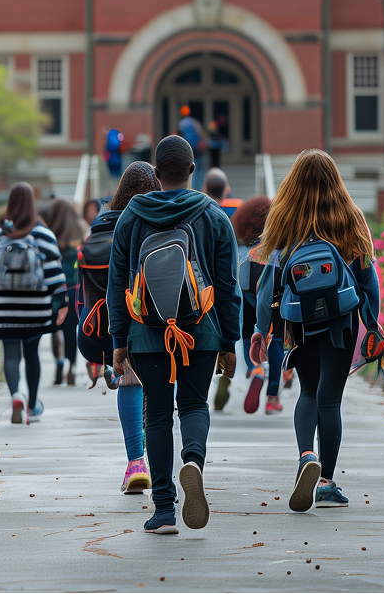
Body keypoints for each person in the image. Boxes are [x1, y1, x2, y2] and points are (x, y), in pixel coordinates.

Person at [107, 136, 239, 535]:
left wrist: (118, 341)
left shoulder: (132, 214)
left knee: (158, 416)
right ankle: (193, 461)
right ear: (192, 170)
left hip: (147, 335)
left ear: (156, 173)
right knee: (195, 406)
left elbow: (117, 282)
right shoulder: (213, 215)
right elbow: (229, 285)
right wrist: (229, 343)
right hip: (200, 332)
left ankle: (164, 510)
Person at [245, 149, 382, 512]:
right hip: (342, 319)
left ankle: (307, 455)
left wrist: (261, 327)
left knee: (307, 391)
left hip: (297, 320)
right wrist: (373, 322)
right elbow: (368, 275)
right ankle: (326, 482)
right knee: (330, 399)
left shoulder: (285, 218)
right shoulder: (350, 218)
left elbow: (268, 280)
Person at [80, 161, 161, 495]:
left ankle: (135, 464)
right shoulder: (152, 220)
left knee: (129, 381)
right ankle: (162, 464)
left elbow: (82, 288)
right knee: (156, 391)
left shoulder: (100, 224)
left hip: (112, 322)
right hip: (152, 317)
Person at [0, 183, 67, 424]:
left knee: (10, 354)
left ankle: (15, 395)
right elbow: (54, 272)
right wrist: (61, 303)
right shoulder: (43, 234)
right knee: (32, 354)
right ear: (32, 204)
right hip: (36, 306)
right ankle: (33, 405)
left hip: (6, 305)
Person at [230, 196, 285, 415]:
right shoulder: (279, 249)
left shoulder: (243, 250)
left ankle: (256, 370)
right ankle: (273, 397)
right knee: (278, 339)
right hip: (275, 285)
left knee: (249, 335)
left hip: (247, 284)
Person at [203, 169, 242, 411]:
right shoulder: (237, 210)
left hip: (203, 285)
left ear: (205, 189)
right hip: (228, 278)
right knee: (226, 328)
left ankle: (207, 376)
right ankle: (224, 378)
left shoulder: (200, 210)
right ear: (227, 190)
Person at [42, 197, 87, 387]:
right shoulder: (78, 231)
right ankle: (71, 365)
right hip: (74, 289)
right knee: (71, 330)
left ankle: (59, 364)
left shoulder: (49, 231)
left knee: (55, 330)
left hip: (54, 289)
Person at [177, 107, 210, 191]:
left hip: (188, 149)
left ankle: (192, 188)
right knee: (199, 170)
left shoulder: (181, 124)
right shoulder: (193, 122)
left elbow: (180, 135)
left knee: (191, 170)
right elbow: (201, 133)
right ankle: (199, 188)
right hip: (197, 150)